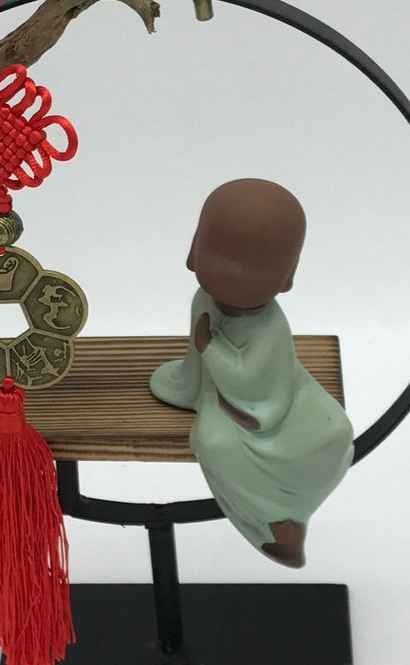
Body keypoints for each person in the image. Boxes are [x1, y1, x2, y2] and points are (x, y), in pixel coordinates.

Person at [150, 178, 353, 567]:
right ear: (193, 252)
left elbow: (255, 381)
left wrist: (211, 349)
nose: (234, 273)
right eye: (221, 255)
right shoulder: (203, 301)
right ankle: (275, 521)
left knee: (333, 431)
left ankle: (283, 523)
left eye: (256, 266)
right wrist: (190, 379)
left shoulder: (270, 326)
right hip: (218, 399)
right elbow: (195, 366)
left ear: (287, 276)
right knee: (213, 441)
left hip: (268, 402)